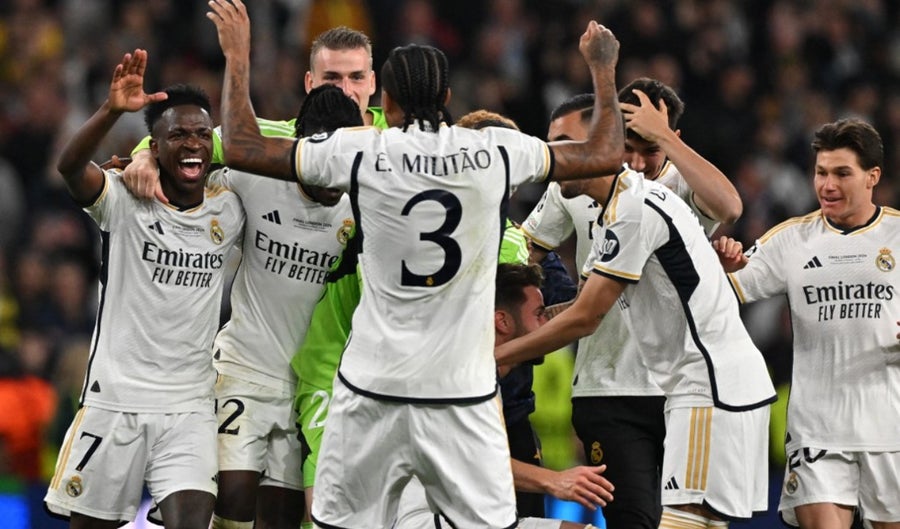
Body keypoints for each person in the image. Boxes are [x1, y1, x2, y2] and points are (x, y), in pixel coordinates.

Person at [207, 0, 625, 526]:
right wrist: (603, 69)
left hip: (372, 386)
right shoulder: (495, 150)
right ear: (447, 98)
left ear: (385, 99)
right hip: (460, 391)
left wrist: (237, 55)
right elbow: (604, 154)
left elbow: (242, 146)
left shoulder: (362, 150)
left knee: (339, 522)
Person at [496, 97, 775, 529]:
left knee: (682, 523)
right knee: (695, 524)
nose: (553, 158)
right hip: (697, 385)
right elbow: (582, 306)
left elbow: (586, 317)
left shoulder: (634, 208)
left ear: (601, 146)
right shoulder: (615, 212)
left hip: (709, 384)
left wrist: (496, 355)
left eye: (565, 144)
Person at [43, 49, 245, 528]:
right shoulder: (123, 200)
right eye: (178, 135)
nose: (192, 144)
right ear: (154, 147)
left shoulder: (229, 207)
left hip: (190, 407)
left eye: (201, 134)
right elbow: (70, 168)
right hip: (115, 401)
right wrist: (111, 111)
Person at [713, 118, 900, 529]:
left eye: (842, 173)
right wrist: (723, 268)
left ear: (872, 176)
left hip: (890, 429)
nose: (827, 185)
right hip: (817, 431)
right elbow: (718, 291)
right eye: (821, 173)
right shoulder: (791, 241)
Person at [207, 85, 362, 529]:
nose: (332, 181)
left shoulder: (363, 206)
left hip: (310, 389)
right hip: (244, 369)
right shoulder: (255, 177)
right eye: (323, 165)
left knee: (284, 519)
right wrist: (143, 160)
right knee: (233, 500)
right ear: (301, 148)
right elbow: (198, 154)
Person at [394, 263, 613, 529]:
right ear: (503, 321)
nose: (548, 324)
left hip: (474, 517)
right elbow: (472, 460)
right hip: (429, 518)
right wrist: (554, 481)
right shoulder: (459, 379)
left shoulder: (488, 378)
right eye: (539, 314)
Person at [123, 25, 385, 202]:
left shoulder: (397, 135)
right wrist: (145, 157)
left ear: (372, 82)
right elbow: (193, 140)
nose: (345, 90)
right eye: (332, 78)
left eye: (357, 77)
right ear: (309, 83)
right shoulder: (282, 138)